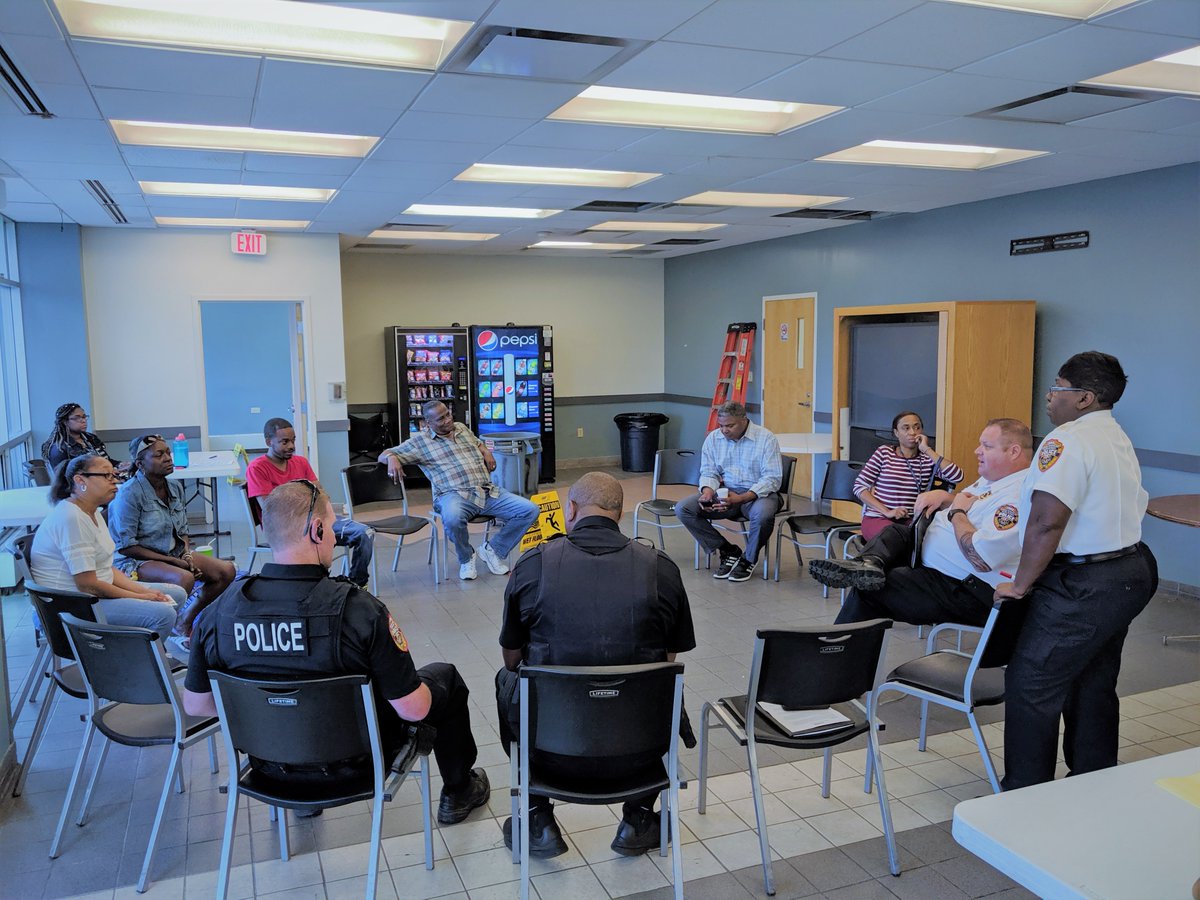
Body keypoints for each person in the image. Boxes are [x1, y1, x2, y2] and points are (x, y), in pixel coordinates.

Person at [181, 480, 491, 825]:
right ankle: (459, 791)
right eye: (330, 528)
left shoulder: (219, 612)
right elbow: (414, 709)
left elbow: (197, 705)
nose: (333, 537)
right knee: (443, 678)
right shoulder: (359, 610)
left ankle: (301, 802)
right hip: (357, 765)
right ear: (316, 530)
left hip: (268, 765)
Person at [496, 472, 695, 857]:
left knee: (508, 680)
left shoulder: (533, 564)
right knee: (660, 681)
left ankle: (538, 818)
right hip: (639, 754)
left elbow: (512, 658)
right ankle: (638, 819)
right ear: (620, 514)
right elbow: (670, 657)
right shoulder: (661, 569)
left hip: (550, 752)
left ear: (570, 510)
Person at [996, 352, 1157, 791]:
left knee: (1032, 680)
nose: (1049, 395)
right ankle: (1092, 778)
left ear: (1084, 398)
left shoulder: (1065, 440)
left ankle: (1025, 793)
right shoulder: (1114, 435)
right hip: (1129, 569)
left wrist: (1021, 584)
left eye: (1058, 387)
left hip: (1084, 582)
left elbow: (1047, 519)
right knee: (1093, 675)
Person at [809, 419, 1032, 628]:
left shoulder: (1016, 497)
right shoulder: (993, 479)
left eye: (986, 446)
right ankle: (867, 563)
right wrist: (946, 498)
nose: (977, 451)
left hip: (963, 588)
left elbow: (981, 558)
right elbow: (974, 504)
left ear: (1013, 452)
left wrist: (955, 512)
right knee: (895, 534)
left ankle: (834, 657)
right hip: (929, 556)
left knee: (871, 589)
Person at [30, 454, 185, 643]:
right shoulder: (72, 518)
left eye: (115, 474)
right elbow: (88, 584)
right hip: (73, 607)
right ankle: (136, 665)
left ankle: (144, 652)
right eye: (107, 476)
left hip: (91, 597)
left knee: (176, 593)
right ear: (80, 480)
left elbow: (106, 567)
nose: (115, 482)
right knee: (163, 614)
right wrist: (141, 596)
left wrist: (142, 592)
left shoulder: (92, 511)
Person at [380, 400, 538, 581]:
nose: (448, 420)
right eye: (441, 419)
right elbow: (383, 455)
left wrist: (485, 451)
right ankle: (466, 557)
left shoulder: (461, 428)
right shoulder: (419, 442)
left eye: (448, 414)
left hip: (486, 491)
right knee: (453, 517)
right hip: (453, 495)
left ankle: (493, 549)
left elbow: (478, 443)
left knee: (529, 510)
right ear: (428, 423)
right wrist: (392, 457)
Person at [107, 434, 236, 636]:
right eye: (159, 455)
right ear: (140, 464)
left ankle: (185, 620)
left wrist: (185, 554)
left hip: (172, 553)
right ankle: (164, 630)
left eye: (168, 452)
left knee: (226, 571)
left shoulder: (174, 487)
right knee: (183, 578)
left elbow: (182, 531)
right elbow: (126, 546)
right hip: (135, 560)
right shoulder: (129, 493)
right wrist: (173, 562)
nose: (168, 458)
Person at [246, 417, 374, 587]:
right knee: (316, 538)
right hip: (287, 529)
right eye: (284, 442)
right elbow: (270, 508)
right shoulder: (257, 468)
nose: (291, 446)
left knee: (365, 533)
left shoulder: (301, 462)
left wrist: (323, 512)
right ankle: (319, 587)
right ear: (269, 442)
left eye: (293, 440)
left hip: (316, 519)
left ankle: (357, 585)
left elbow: (320, 494)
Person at [675, 401, 783, 582]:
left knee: (763, 515)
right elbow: (709, 471)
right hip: (727, 493)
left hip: (758, 493)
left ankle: (748, 559)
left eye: (730, 425)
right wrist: (708, 491)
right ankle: (727, 550)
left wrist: (742, 498)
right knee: (684, 508)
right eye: (721, 425)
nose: (724, 430)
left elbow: (772, 479)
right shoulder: (714, 438)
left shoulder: (766, 438)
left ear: (744, 420)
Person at [853, 411, 964, 541]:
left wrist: (927, 450)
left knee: (925, 540)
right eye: (906, 428)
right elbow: (859, 487)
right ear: (896, 433)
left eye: (917, 427)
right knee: (894, 537)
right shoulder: (884, 453)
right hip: (879, 517)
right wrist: (887, 511)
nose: (912, 432)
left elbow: (957, 476)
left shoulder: (927, 459)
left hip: (911, 521)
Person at [41, 403, 130, 477]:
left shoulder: (91, 438)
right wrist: (106, 472)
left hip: (105, 478)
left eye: (84, 417)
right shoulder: (59, 449)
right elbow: (65, 478)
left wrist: (119, 464)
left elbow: (105, 460)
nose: (83, 421)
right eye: (77, 418)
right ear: (65, 422)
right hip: (83, 489)